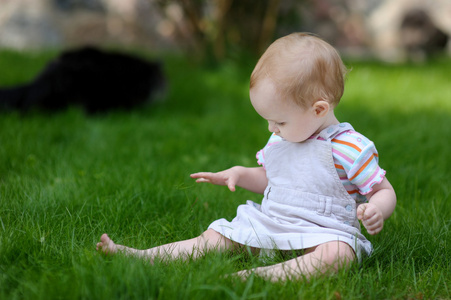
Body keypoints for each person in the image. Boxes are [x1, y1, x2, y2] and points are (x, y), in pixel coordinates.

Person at [96, 32, 397, 281]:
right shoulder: (282, 138)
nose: (272, 128)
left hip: (324, 232)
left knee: (338, 256)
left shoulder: (350, 148)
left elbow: (382, 190)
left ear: (318, 109)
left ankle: (254, 277)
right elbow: (272, 179)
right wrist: (240, 173)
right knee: (216, 236)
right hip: (272, 222)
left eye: (280, 121)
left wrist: (376, 210)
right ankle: (141, 257)